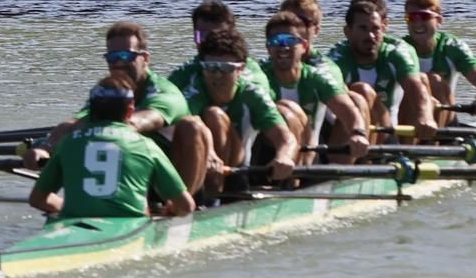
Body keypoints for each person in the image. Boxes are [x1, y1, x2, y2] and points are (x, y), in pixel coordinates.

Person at [29, 79, 195, 222]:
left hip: (75, 222)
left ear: (91, 110)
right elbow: (186, 206)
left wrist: (67, 208)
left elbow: (37, 199)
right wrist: (171, 210)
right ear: (130, 112)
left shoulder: (67, 142)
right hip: (131, 228)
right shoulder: (146, 145)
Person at [174, 25, 289, 201]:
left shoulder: (253, 94)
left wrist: (284, 155)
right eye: (211, 67)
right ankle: (203, 198)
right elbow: (186, 121)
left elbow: (285, 137)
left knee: (215, 115)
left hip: (239, 169)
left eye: (226, 68)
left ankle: (213, 199)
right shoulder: (195, 91)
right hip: (206, 165)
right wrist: (209, 153)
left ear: (240, 69)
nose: (217, 75)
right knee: (205, 118)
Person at [259, 8, 361, 176]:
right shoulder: (260, 76)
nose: (283, 46)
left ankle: (314, 177)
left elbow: (347, 109)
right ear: (268, 47)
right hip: (266, 157)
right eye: (276, 41)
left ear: (304, 46)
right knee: (286, 111)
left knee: (356, 100)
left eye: (290, 40)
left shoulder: (317, 77)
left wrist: (358, 133)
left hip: (309, 158)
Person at [326, 0, 433, 138]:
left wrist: (425, 115)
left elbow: (415, 87)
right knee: (362, 91)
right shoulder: (337, 58)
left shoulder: (397, 52)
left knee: (422, 82)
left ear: (383, 27)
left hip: (390, 134)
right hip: (346, 133)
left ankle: (422, 142)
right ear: (347, 32)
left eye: (375, 28)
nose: (370, 36)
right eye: (363, 28)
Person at [400, 0, 476, 114]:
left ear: (439, 21)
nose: (417, 23)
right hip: (407, 118)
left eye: (424, 17)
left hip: (444, 116)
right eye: (411, 18)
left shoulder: (452, 47)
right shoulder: (400, 49)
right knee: (421, 81)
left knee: (434, 80)